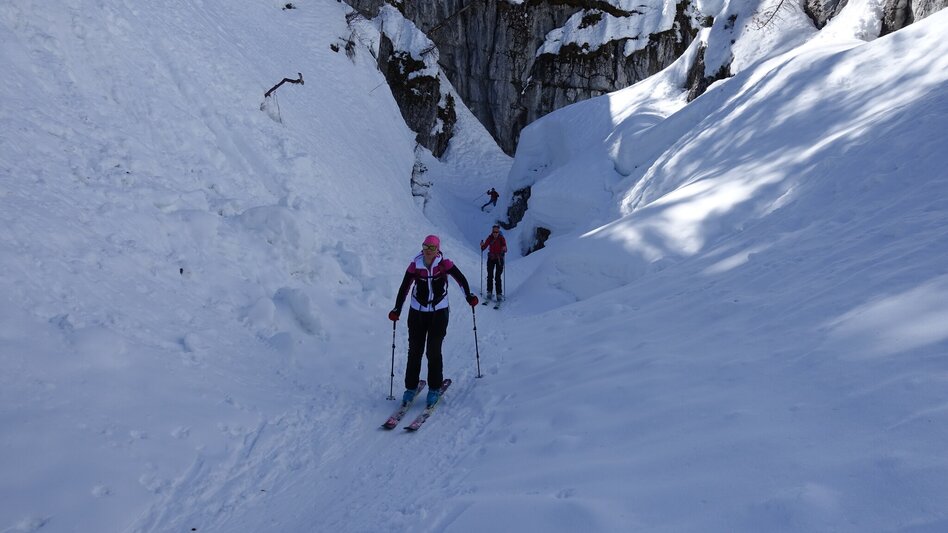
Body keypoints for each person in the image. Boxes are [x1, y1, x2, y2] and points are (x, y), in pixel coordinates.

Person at [389, 235, 478, 407]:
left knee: (433, 351)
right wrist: (397, 308)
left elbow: (461, 280)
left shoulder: (445, 264)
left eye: (432, 248)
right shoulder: (415, 265)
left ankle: (434, 389)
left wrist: (469, 296)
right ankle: (410, 388)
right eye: (425, 247)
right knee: (414, 350)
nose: (428, 251)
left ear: (438, 250)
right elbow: (404, 287)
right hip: (417, 312)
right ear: (422, 248)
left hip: (439, 312)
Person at [480, 224, 507, 301]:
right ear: (492, 232)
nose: (495, 233)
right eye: (494, 232)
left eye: (496, 232)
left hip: (499, 259)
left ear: (498, 232)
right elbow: (484, 247)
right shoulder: (490, 238)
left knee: (497, 277)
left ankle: (499, 294)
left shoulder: (502, 239)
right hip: (491, 258)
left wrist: (504, 249)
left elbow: (505, 248)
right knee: (490, 275)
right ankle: (489, 292)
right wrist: (482, 246)